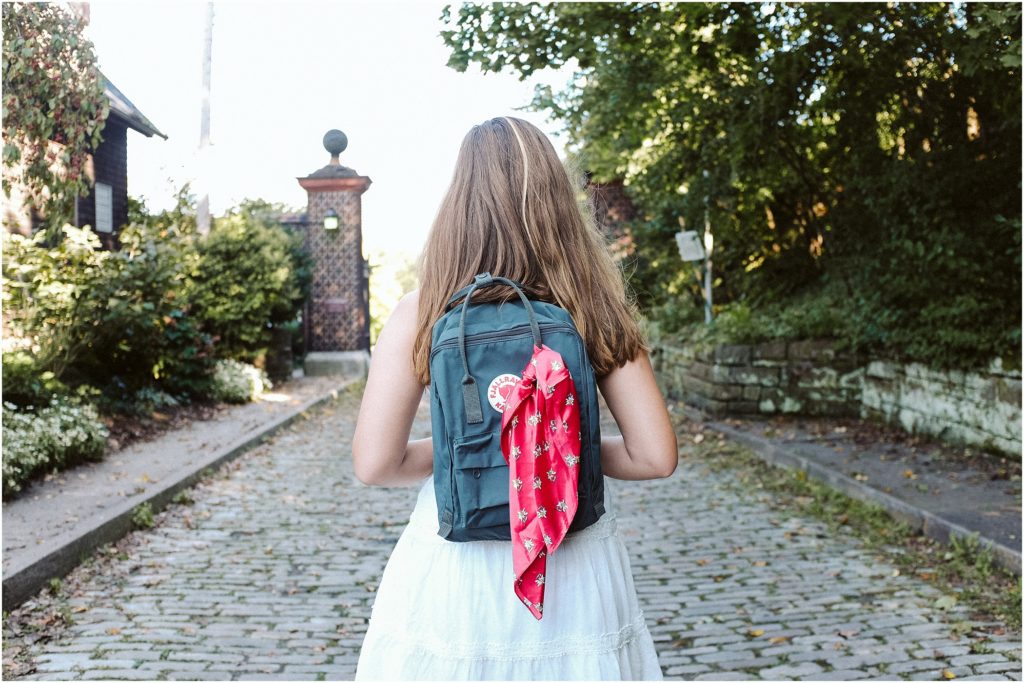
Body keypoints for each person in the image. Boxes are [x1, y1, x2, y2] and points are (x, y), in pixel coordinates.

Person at [351, 116, 678, 680]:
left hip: (460, 566)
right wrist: (545, 448)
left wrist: (478, 447)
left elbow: (376, 463)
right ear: (557, 201)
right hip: (570, 556)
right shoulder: (594, 306)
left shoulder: (422, 311)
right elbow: (655, 456)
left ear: (459, 204)